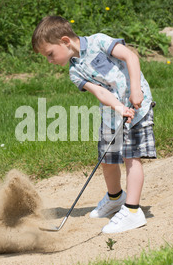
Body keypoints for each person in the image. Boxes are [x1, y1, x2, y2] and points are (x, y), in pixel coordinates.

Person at [32, 15, 156, 233]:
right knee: (107, 160)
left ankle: (133, 211)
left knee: (131, 157)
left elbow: (131, 57)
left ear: (64, 41)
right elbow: (100, 91)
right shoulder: (74, 72)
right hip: (112, 113)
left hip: (137, 107)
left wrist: (136, 88)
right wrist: (118, 107)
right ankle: (115, 198)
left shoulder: (99, 41)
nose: (50, 61)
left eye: (50, 54)